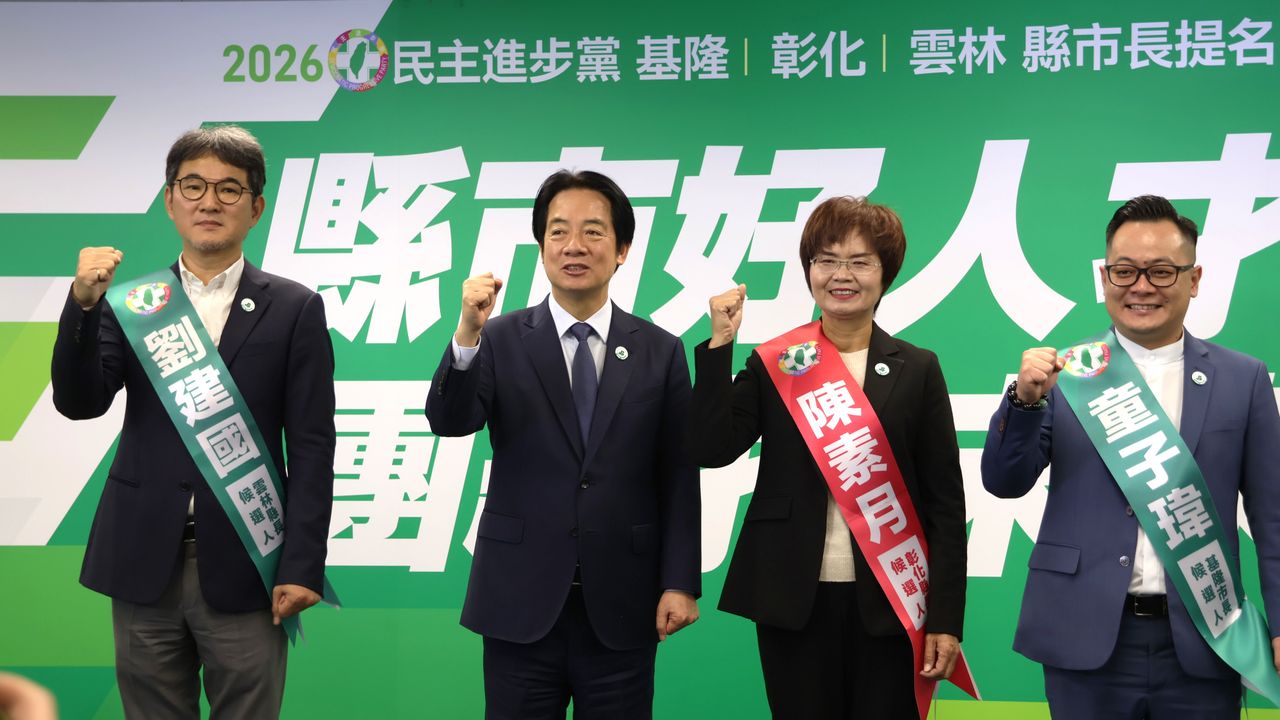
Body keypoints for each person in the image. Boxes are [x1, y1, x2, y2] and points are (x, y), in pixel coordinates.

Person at [50, 125, 335, 719]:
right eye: (194, 186)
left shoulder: (294, 307)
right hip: (142, 555)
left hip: (249, 560)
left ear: (256, 208)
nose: (210, 202)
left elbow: (312, 446)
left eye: (230, 189)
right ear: (170, 200)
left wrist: (303, 563)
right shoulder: (135, 303)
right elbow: (80, 402)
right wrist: (82, 306)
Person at [982, 195, 1280, 717]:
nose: (1141, 286)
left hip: (1204, 639)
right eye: (1124, 271)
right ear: (1104, 279)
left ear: (1194, 279)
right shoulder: (1065, 375)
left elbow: (1273, 516)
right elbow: (1004, 482)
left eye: (1161, 271)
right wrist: (1024, 402)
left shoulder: (1243, 378)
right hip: (1085, 632)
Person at [425, 170, 701, 719]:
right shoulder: (498, 337)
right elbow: (450, 421)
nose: (574, 245)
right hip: (519, 598)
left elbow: (677, 474)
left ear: (622, 250)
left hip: (623, 601)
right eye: (558, 232)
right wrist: (467, 334)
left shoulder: (660, 350)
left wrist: (679, 582)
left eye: (593, 231)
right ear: (542, 246)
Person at [691, 196, 967, 719]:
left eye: (860, 261)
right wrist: (720, 344)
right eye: (827, 260)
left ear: (885, 274)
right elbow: (711, 447)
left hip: (890, 599)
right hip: (792, 595)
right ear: (809, 270)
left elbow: (945, 505)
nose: (842, 275)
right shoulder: (776, 362)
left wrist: (945, 618)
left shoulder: (917, 368)